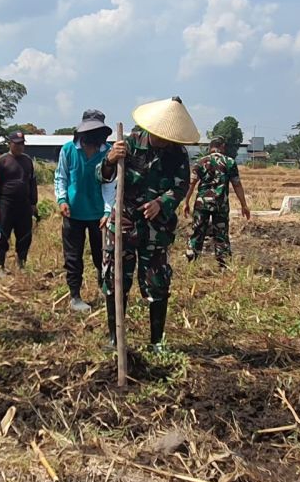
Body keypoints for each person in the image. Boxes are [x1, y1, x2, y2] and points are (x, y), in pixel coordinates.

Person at [98, 97, 197, 350]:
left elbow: (181, 185)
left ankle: (156, 342)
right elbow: (103, 176)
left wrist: (161, 203)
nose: (163, 140)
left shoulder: (177, 153)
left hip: (156, 229)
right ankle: (115, 337)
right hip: (124, 222)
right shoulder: (128, 144)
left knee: (157, 281)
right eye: (159, 135)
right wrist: (110, 160)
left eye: (168, 137)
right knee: (116, 277)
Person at [55, 110, 115, 312]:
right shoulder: (69, 150)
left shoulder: (108, 153)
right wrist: (62, 200)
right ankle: (75, 296)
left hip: (99, 215)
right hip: (73, 213)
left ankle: (104, 287)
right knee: (73, 257)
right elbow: (61, 177)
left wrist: (108, 212)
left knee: (103, 256)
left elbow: (110, 185)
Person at [183, 136, 251, 268]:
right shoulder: (229, 162)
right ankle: (223, 263)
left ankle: (191, 261)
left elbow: (191, 184)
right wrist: (244, 205)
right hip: (221, 204)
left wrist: (186, 202)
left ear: (210, 147)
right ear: (222, 147)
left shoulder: (200, 162)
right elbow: (237, 184)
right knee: (221, 234)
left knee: (197, 231)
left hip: (202, 203)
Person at [0, 130, 39, 273]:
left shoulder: (27, 161)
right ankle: (0, 266)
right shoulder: (2, 161)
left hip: (24, 204)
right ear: (10, 144)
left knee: (24, 235)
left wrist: (33, 203)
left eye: (22, 144)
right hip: (6, 203)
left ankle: (21, 264)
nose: (19, 147)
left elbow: (32, 183)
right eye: (16, 144)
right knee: (3, 235)